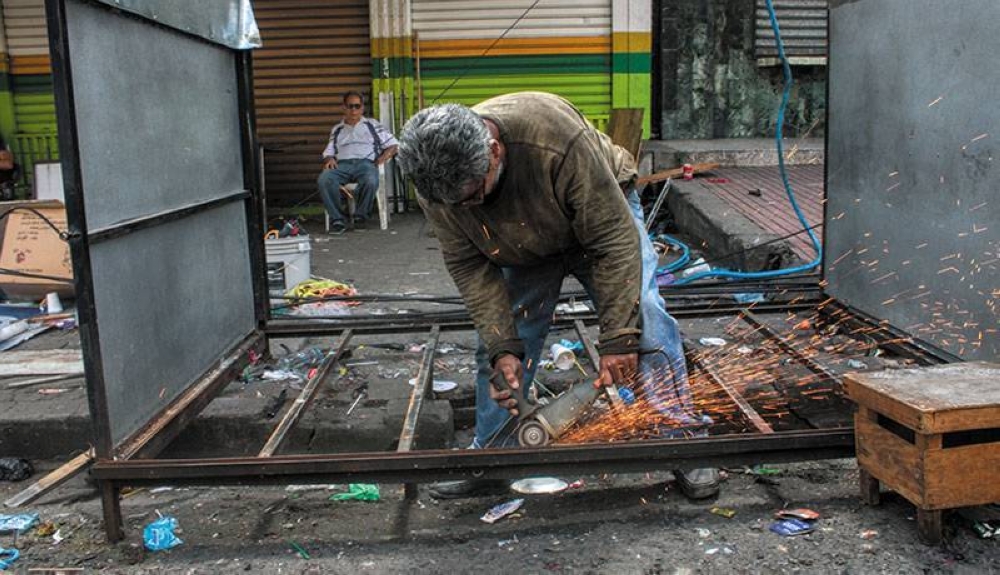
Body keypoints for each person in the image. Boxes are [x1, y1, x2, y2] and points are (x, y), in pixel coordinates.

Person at [396, 92, 719, 500]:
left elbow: (613, 241)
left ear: (493, 151)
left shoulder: (553, 137)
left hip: (600, 215)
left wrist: (620, 336)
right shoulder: (437, 184)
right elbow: (470, 266)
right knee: (499, 348)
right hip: (523, 235)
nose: (468, 206)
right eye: (458, 203)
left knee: (647, 320)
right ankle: (494, 456)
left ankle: (683, 440)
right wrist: (503, 347)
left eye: (474, 195)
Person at [317, 91, 398, 234]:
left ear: (362, 108)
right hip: (342, 165)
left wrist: (384, 156)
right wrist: (329, 159)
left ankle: (361, 217)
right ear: (344, 108)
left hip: (365, 164)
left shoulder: (372, 125)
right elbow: (328, 151)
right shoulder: (337, 129)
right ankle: (338, 220)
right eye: (350, 106)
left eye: (357, 106)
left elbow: (393, 145)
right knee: (324, 179)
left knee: (371, 180)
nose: (353, 110)